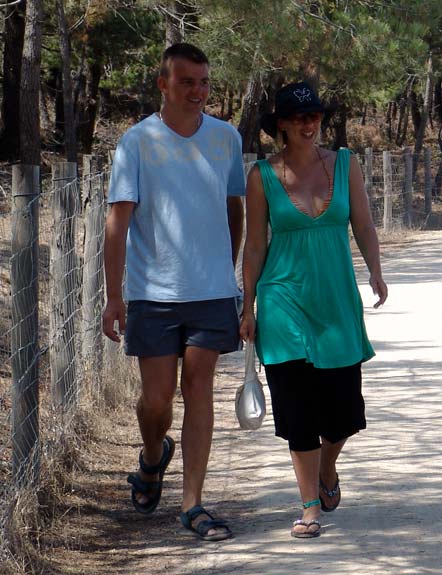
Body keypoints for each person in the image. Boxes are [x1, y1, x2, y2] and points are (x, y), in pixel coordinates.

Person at [102, 43, 243, 542]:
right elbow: (117, 224)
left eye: (204, 82)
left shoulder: (227, 138)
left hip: (210, 293)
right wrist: (114, 296)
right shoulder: (136, 142)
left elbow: (234, 209)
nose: (198, 92)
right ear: (163, 84)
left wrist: (226, 276)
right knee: (156, 400)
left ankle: (194, 504)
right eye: (187, 82)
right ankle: (152, 455)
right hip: (152, 293)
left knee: (199, 387)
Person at [240, 81, 387, 539]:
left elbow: (362, 221)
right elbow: (255, 246)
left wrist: (376, 272)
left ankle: (328, 468)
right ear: (280, 124)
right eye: (299, 117)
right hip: (283, 298)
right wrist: (248, 306)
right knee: (296, 405)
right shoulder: (261, 176)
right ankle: (308, 508)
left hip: (336, 298)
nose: (309, 124)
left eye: (315, 116)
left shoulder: (346, 164)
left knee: (343, 412)